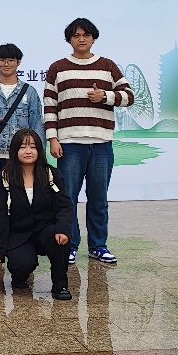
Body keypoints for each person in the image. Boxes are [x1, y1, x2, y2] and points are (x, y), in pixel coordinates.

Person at [44, 18, 134, 265]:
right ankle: (70, 245)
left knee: (98, 199)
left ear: (94, 37)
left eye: (86, 35)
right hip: (69, 143)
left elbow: (129, 96)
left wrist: (105, 96)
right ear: (69, 39)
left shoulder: (107, 66)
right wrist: (52, 138)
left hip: (101, 143)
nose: (81, 39)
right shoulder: (58, 68)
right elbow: (50, 106)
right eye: (76, 35)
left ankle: (98, 246)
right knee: (67, 199)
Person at [0, 128, 73, 301]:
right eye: (23, 147)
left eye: (33, 147)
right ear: (14, 150)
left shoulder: (52, 174)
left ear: (39, 150)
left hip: (45, 230)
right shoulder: (2, 178)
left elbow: (64, 206)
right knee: (22, 263)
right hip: (18, 234)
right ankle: (19, 277)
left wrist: (63, 229)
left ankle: (60, 285)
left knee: (60, 240)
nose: (28, 151)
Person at [0, 44, 44, 234]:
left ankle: (20, 241)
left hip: (21, 159)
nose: (6, 64)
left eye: (11, 60)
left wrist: (38, 157)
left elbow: (37, 125)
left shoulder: (29, 92)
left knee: (22, 202)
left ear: (18, 62)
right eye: (2, 60)